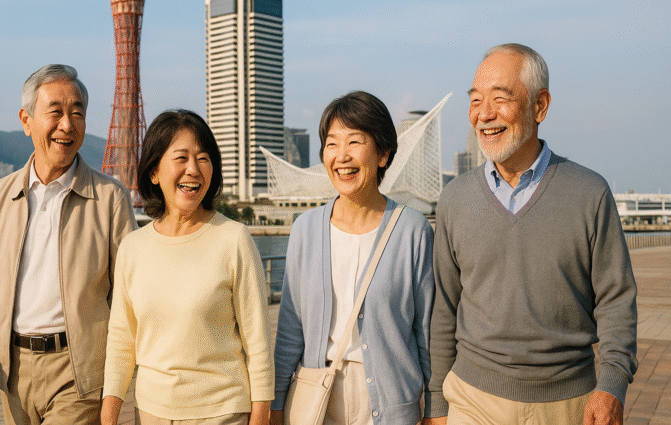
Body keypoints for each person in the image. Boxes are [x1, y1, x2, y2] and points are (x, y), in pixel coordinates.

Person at [423, 44, 638, 425]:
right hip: (472, 397)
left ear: (540, 106)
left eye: (499, 98)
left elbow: (616, 301)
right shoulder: (454, 198)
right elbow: (444, 311)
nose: (484, 114)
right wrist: (438, 406)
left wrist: (612, 384)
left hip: (570, 402)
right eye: (475, 100)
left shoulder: (590, 193)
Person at [0, 64, 138, 425]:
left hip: (79, 372)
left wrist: (117, 382)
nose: (67, 125)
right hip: (12, 370)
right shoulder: (0, 197)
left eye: (77, 113)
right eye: (55, 112)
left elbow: (130, 295)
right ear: (26, 120)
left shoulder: (109, 198)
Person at [100, 109, 274, 425]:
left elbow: (258, 344)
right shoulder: (133, 248)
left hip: (222, 413)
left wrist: (260, 419)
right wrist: (108, 416)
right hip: (150, 413)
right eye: (181, 158)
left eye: (203, 158)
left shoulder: (233, 239)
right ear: (154, 172)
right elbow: (122, 342)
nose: (193, 170)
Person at [271, 91, 435, 425]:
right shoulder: (306, 229)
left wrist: (436, 410)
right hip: (316, 401)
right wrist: (275, 404)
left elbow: (429, 333)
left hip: (391, 405)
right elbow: (291, 328)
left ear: (383, 154)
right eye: (332, 144)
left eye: (355, 142)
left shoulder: (413, 231)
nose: (341, 156)